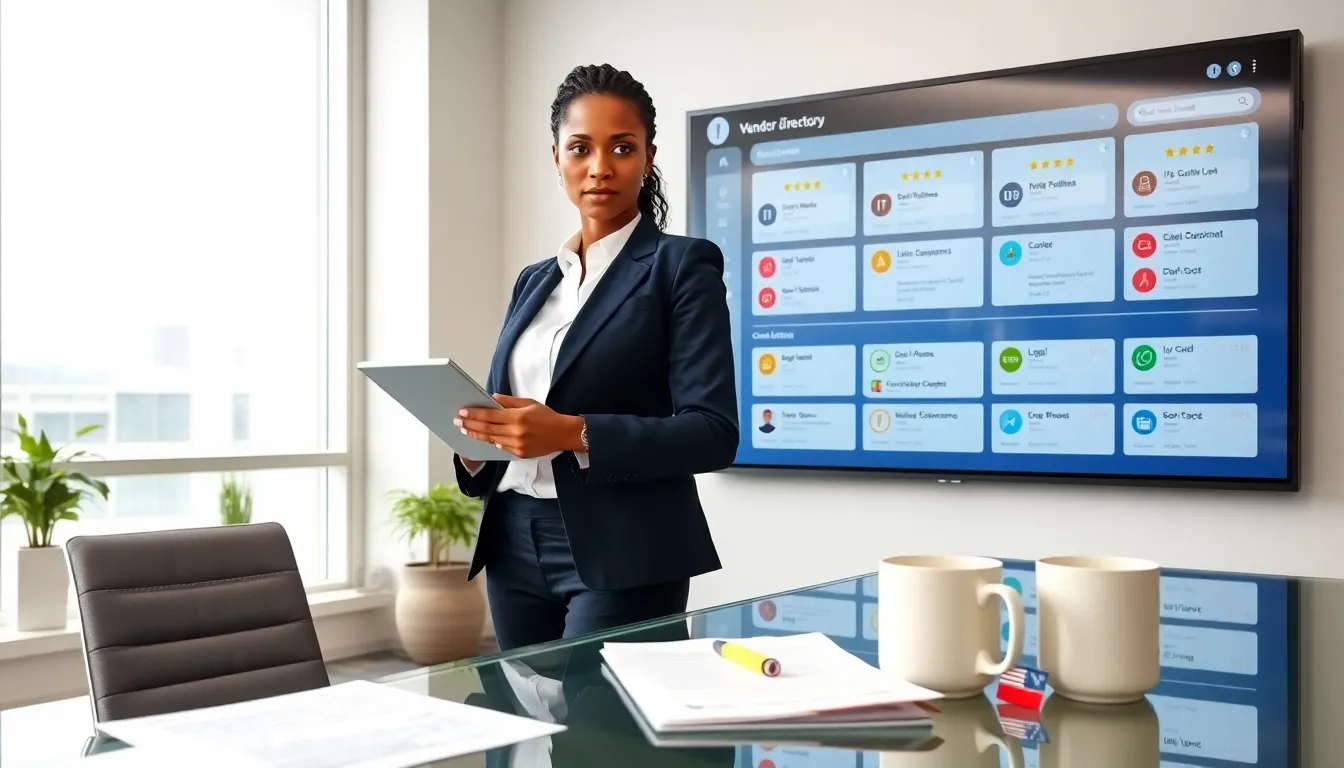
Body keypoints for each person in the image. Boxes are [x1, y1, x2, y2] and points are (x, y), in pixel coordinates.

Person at [452, 63, 738, 652]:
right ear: (556, 158)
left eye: (622, 148)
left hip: (625, 547)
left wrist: (570, 432)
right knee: (523, 706)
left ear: (648, 157)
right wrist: (478, 448)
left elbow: (712, 434)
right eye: (580, 148)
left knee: (599, 714)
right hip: (513, 538)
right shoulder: (534, 281)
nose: (600, 167)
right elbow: (508, 409)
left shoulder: (682, 267)